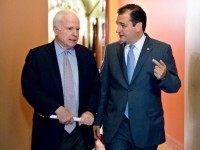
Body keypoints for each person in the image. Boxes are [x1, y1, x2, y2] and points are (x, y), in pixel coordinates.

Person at [93, 4, 181, 150]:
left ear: (138, 26)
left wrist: (164, 76)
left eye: (123, 25)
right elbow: (104, 88)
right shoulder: (111, 50)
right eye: (117, 25)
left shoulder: (161, 49)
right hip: (116, 126)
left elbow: (175, 86)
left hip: (146, 127)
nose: (117, 30)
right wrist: (98, 120)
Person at [21, 10, 100, 150]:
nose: (75, 34)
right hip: (49, 132)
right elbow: (31, 90)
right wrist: (56, 108)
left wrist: (90, 111)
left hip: (81, 133)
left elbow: (95, 88)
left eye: (77, 29)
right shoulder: (37, 57)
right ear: (56, 30)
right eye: (70, 28)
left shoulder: (86, 55)